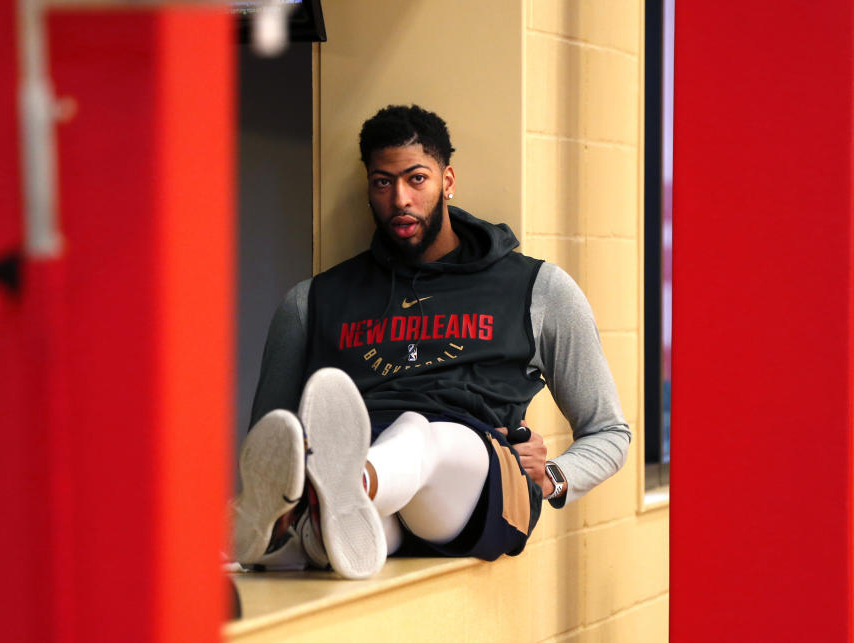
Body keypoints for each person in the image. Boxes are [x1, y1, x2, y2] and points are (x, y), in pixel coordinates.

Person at [232, 104, 630, 580]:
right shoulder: (312, 302)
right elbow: (270, 444)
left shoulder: (536, 289)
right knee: (356, 534)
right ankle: (319, 521)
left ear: (447, 180)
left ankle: (340, 490)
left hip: (474, 482)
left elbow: (609, 432)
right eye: (382, 182)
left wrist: (553, 477)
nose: (400, 198)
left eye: (416, 179)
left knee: (425, 434)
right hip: (380, 495)